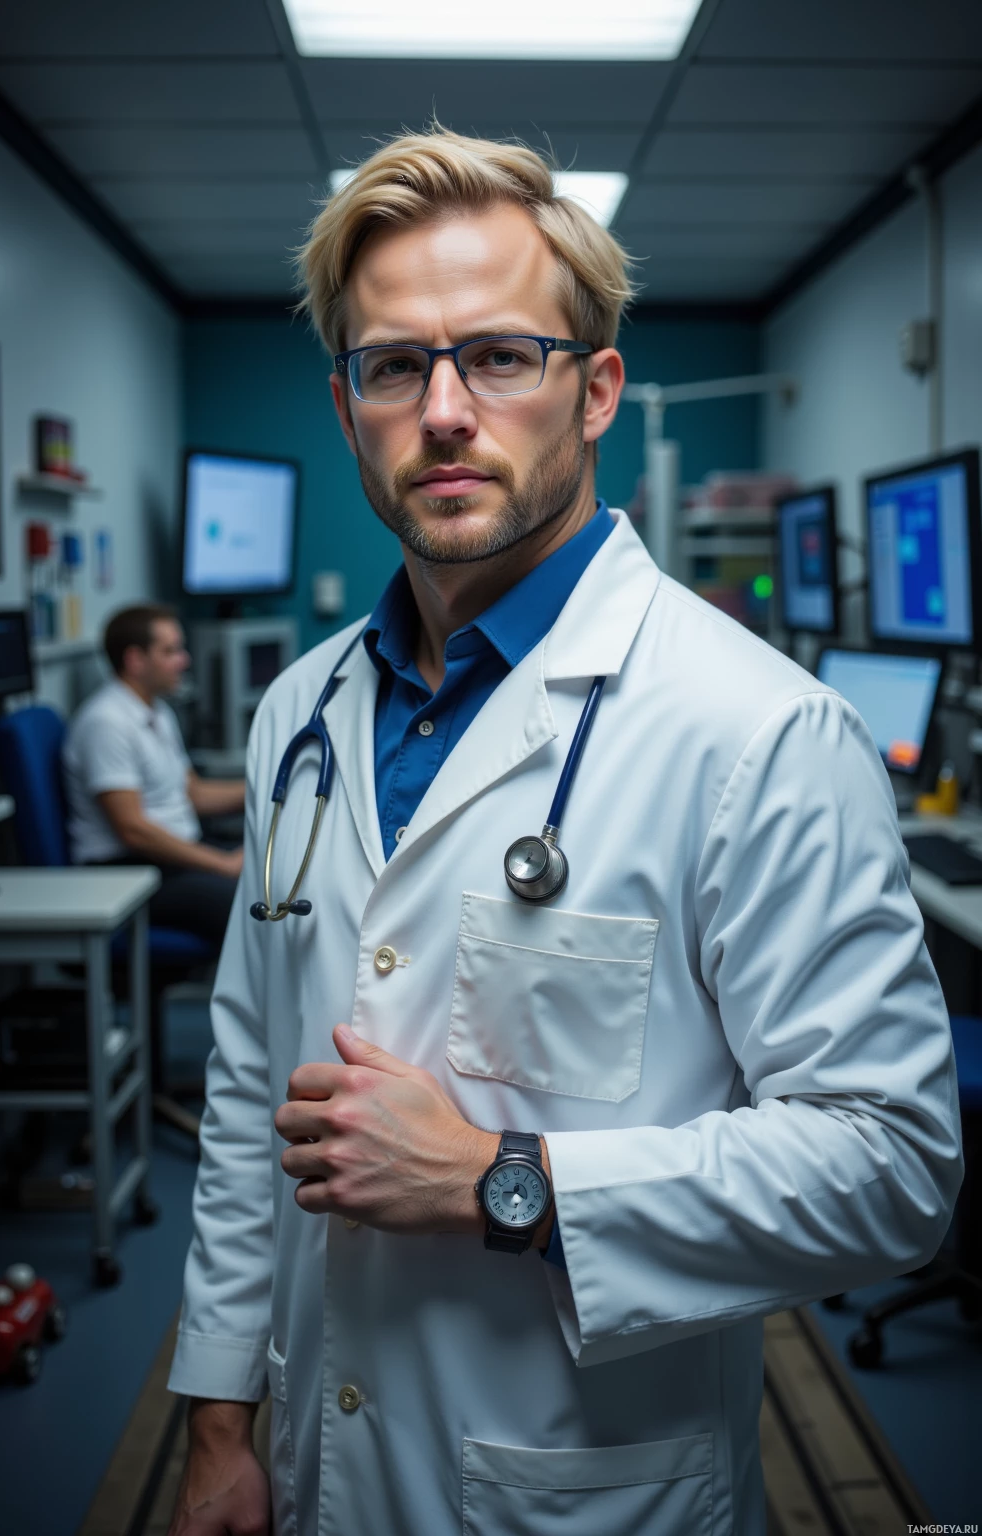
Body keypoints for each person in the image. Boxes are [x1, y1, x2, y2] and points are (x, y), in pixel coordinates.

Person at [166, 129, 961, 1536]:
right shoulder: (301, 714)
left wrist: (506, 1183)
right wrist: (219, 1419)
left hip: (578, 1483)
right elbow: (247, 1095)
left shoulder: (755, 732)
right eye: (395, 364)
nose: (446, 409)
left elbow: (890, 1167)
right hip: (306, 1464)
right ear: (349, 405)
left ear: (594, 391)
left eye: (501, 356)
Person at [63, 604, 244, 949]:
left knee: (280, 879)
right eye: (171, 651)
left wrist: (266, 787)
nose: (184, 660)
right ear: (135, 660)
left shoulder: (157, 711)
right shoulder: (106, 723)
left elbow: (194, 793)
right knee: (255, 904)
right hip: (128, 872)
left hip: (170, 859)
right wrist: (222, 864)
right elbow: (133, 830)